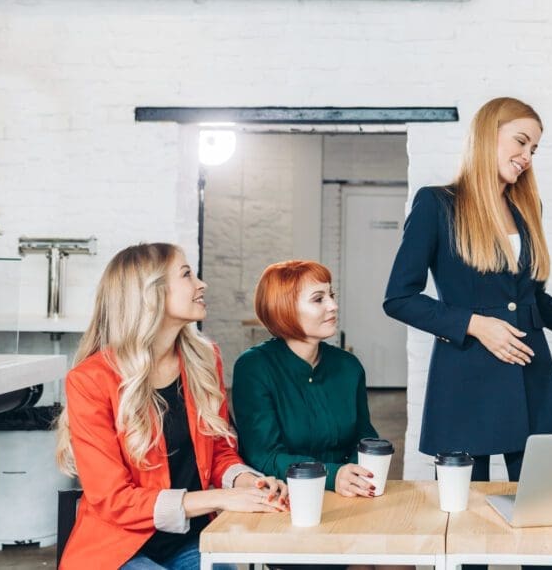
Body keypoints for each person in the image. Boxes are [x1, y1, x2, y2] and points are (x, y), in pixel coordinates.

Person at [383, 96, 552, 483]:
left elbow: (532, 298)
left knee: (543, 499)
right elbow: (399, 298)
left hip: (530, 373)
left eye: (534, 148)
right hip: (464, 378)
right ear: (487, 135)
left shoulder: (528, 210)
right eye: (521, 141)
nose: (527, 156)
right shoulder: (436, 204)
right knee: (461, 511)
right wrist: (474, 324)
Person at [55, 243, 286, 570]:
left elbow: (219, 449)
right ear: (151, 294)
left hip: (190, 540)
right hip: (119, 549)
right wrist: (219, 497)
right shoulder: (90, 380)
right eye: (187, 275)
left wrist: (245, 482)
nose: (201, 284)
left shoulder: (205, 361)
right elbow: (113, 500)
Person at [233, 260, 380, 497]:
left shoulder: (348, 366)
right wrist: (333, 475)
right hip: (283, 498)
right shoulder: (254, 367)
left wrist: (356, 474)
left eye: (331, 295)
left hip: (349, 496)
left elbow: (365, 438)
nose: (333, 305)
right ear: (284, 308)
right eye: (318, 299)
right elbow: (263, 457)